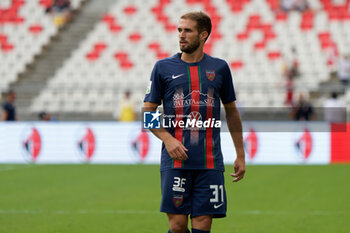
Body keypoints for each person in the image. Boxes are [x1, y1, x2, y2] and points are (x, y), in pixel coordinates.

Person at [143, 11, 245, 233]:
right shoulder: (162, 68)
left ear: (203, 35)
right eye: (179, 30)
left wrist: (240, 153)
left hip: (209, 162)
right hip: (175, 162)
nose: (181, 35)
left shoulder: (219, 68)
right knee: (178, 225)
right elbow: (148, 111)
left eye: (188, 30)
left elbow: (232, 112)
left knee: (202, 225)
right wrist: (167, 139)